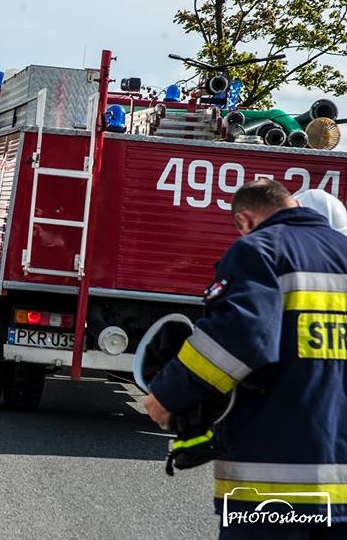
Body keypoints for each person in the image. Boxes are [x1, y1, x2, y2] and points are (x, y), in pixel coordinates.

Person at [143, 179, 347, 539]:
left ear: (245, 220)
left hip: (275, 484)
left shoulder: (259, 250)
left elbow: (240, 338)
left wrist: (167, 396)